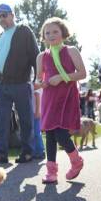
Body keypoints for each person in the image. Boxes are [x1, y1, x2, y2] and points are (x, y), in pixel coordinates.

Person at [36, 17, 87, 184]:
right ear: (43, 36)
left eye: (55, 31)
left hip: (66, 97)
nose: (51, 35)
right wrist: (40, 83)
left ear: (63, 33)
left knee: (60, 133)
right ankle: (51, 172)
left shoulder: (71, 50)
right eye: (47, 32)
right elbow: (37, 81)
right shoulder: (41, 56)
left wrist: (61, 77)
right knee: (50, 134)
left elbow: (82, 74)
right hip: (49, 98)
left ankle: (76, 161)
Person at [0, 3, 39, 164]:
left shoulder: (23, 31)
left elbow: (35, 55)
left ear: (12, 15)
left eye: (4, 15)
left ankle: (28, 152)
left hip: (21, 83)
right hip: (3, 85)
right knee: (1, 119)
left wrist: (37, 78)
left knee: (25, 119)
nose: (1, 19)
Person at [32, 84, 45, 159]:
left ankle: (40, 151)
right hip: (34, 111)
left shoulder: (35, 83)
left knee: (36, 132)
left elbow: (38, 97)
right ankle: (35, 151)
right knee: (34, 132)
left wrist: (37, 111)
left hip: (35, 112)